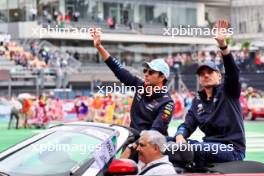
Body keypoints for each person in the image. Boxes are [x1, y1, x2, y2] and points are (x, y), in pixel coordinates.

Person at [172, 20, 246, 164]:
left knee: (193, 147)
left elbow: (233, 72)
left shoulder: (228, 90)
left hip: (232, 150)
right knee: (161, 141)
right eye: (202, 73)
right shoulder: (197, 101)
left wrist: (222, 45)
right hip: (207, 147)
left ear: (219, 76)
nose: (205, 75)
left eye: (210, 72)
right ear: (199, 79)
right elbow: (187, 125)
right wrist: (180, 136)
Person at [91, 29, 174, 136]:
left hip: (151, 145)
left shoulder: (167, 103)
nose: (146, 74)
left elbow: (155, 132)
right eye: (145, 70)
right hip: (134, 138)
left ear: (162, 77)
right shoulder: (140, 86)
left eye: (151, 72)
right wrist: (99, 47)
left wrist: (133, 145)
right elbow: (118, 69)